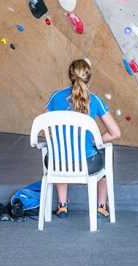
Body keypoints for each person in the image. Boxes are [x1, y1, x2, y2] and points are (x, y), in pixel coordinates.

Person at [43, 58, 120, 220]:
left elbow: (42, 130)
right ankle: (101, 206)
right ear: (89, 77)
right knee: (105, 155)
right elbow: (115, 133)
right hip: (87, 164)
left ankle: (62, 205)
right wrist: (93, 141)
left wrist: (60, 138)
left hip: (56, 164)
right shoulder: (95, 100)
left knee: (58, 153)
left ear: (70, 76)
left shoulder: (56, 97)